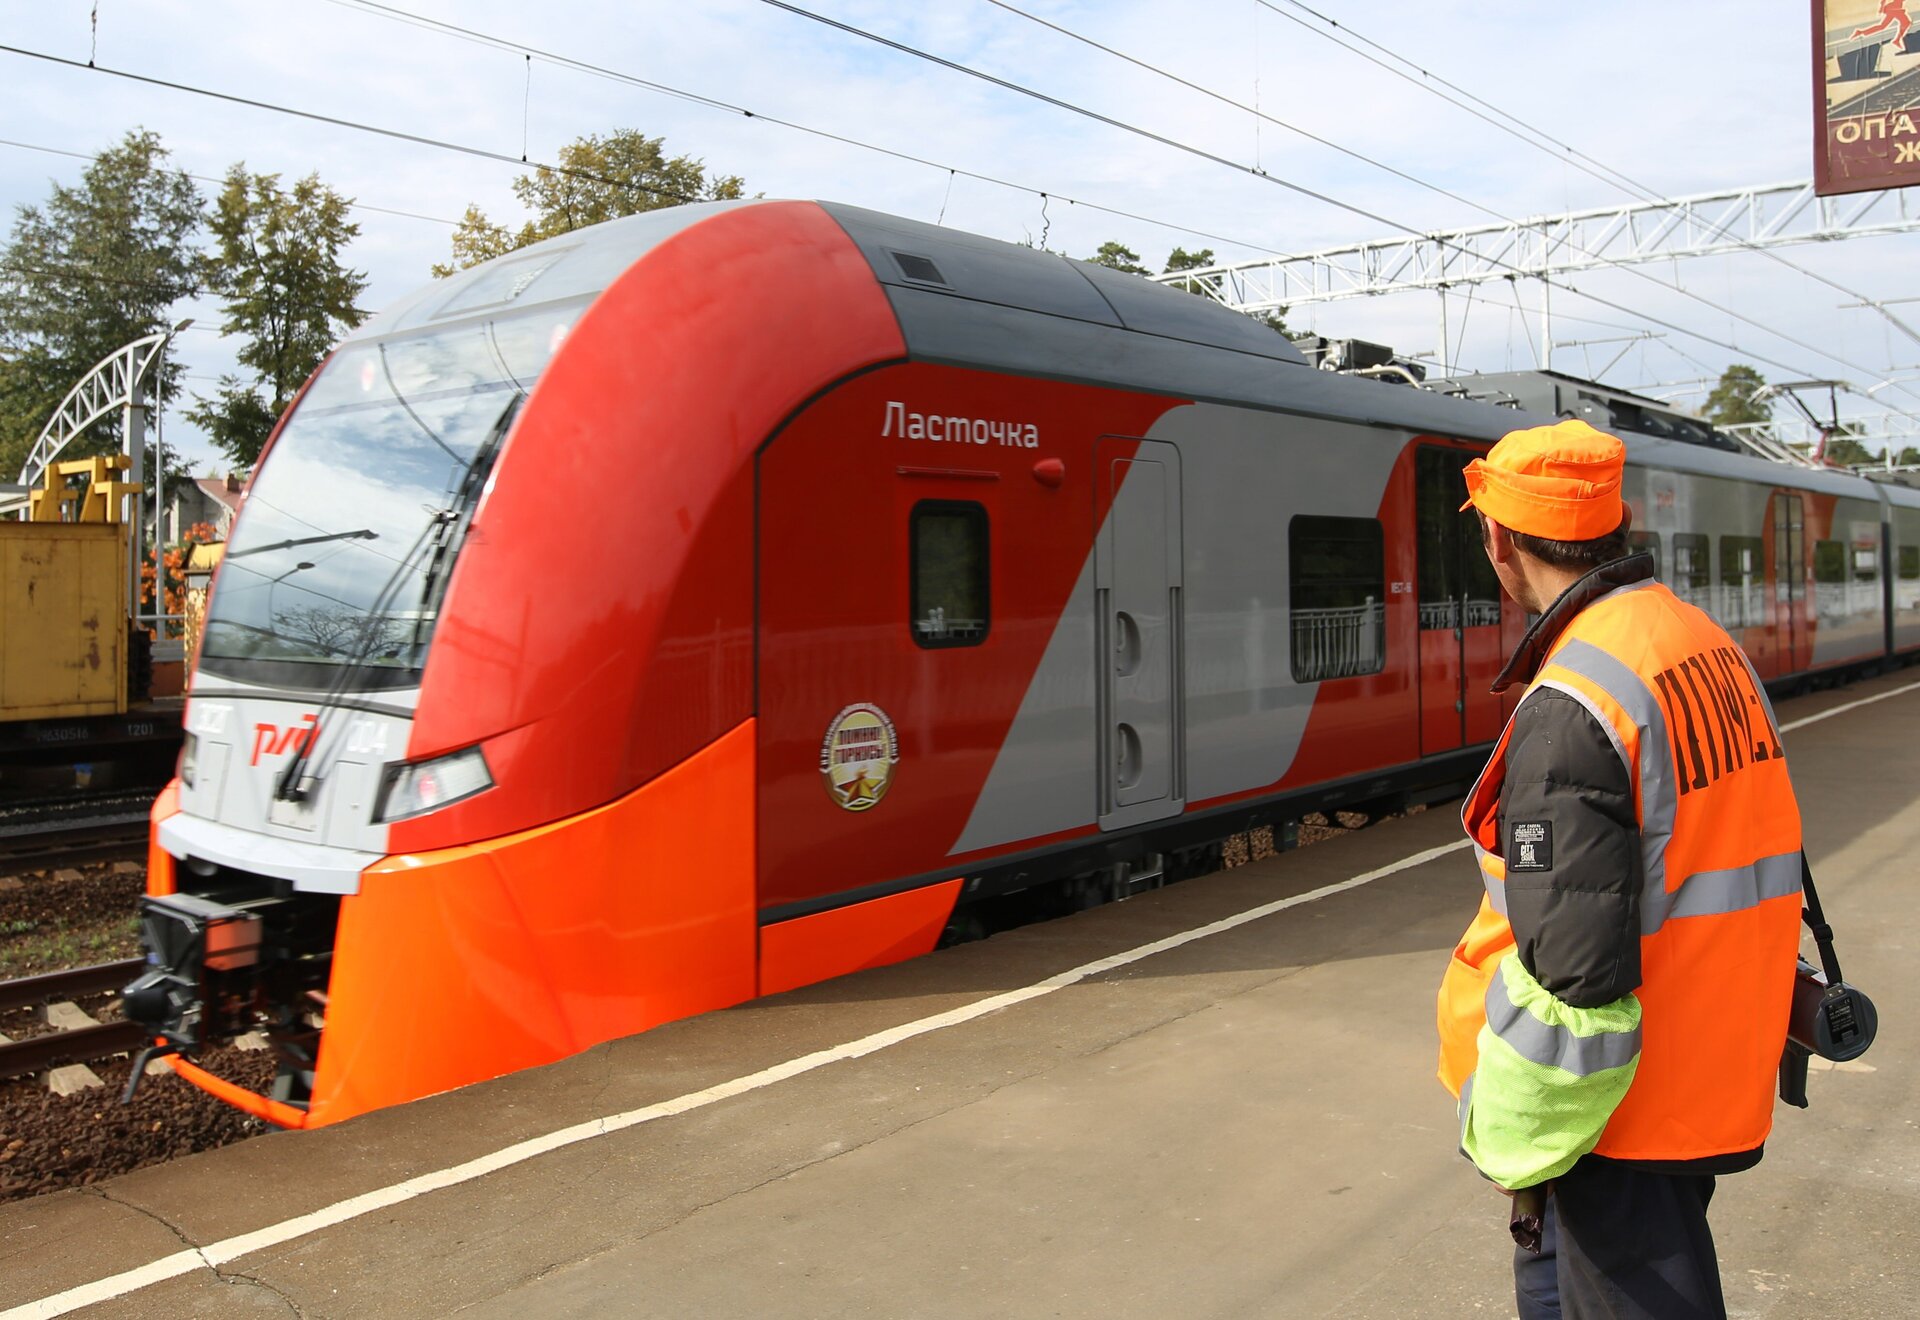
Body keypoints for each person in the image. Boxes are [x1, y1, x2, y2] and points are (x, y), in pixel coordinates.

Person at [1435, 418, 1805, 1319]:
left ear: (1502, 541)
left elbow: (1573, 967)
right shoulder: (1695, 640)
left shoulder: (1576, 699)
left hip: (1618, 1105)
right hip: (1707, 1051)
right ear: (1615, 525)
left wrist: (1524, 1135)